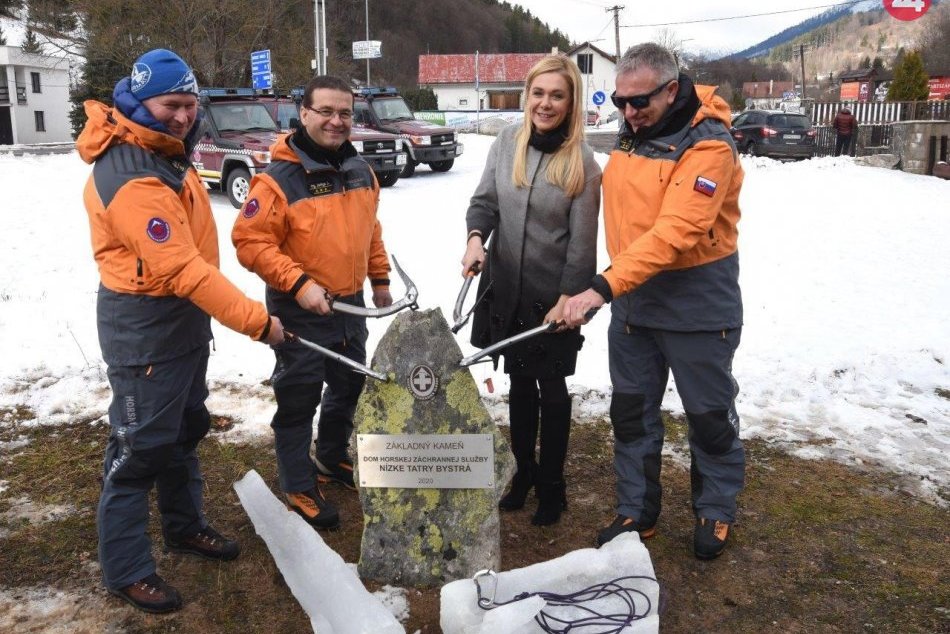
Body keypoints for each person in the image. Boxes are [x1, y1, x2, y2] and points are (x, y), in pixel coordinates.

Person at [77, 48, 286, 614]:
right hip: (143, 329)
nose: (184, 116)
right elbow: (182, 267)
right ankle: (127, 569)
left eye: (191, 105)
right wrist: (257, 322)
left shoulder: (165, 151)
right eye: (173, 105)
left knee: (184, 429)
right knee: (138, 449)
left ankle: (184, 525)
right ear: (140, 101)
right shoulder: (131, 173)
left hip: (184, 323)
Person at [563, 42, 745, 560]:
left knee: (708, 413)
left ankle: (715, 507)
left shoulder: (710, 146)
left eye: (638, 102)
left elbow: (677, 231)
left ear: (672, 89)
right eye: (620, 102)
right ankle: (636, 509)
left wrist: (601, 287)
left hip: (697, 302)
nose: (628, 112)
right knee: (632, 411)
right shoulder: (635, 131)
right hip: (633, 301)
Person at [232, 75, 392, 531]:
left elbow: (370, 230)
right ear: (303, 114)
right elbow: (249, 241)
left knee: (348, 386)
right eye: (326, 111)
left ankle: (329, 456)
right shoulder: (277, 179)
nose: (336, 121)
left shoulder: (361, 170)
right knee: (299, 398)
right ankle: (298, 483)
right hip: (300, 310)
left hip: (350, 307)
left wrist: (378, 278)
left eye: (345, 113)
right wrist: (298, 283)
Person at [462, 55, 601, 527]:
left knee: (552, 387)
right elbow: (484, 203)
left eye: (556, 95)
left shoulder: (583, 162)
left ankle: (553, 486)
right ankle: (524, 472)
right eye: (538, 93)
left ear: (570, 101)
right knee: (519, 384)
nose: (545, 103)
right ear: (527, 96)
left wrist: (571, 299)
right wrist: (476, 240)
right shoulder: (506, 143)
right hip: (506, 289)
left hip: (554, 297)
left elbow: (583, 247)